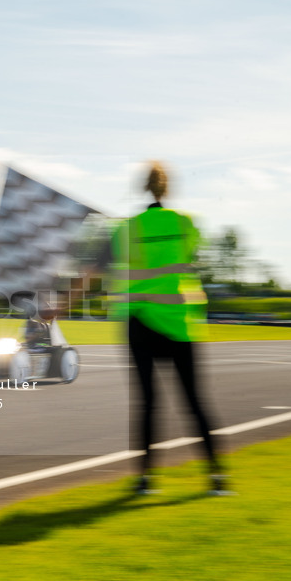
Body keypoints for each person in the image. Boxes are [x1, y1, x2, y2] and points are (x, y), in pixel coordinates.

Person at [95, 161, 230, 496]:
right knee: (194, 400)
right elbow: (189, 257)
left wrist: (59, 306)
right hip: (178, 321)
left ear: (144, 187)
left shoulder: (126, 228)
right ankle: (217, 478)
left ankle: (145, 480)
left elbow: (95, 270)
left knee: (147, 402)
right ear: (167, 188)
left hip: (139, 320)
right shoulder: (187, 224)